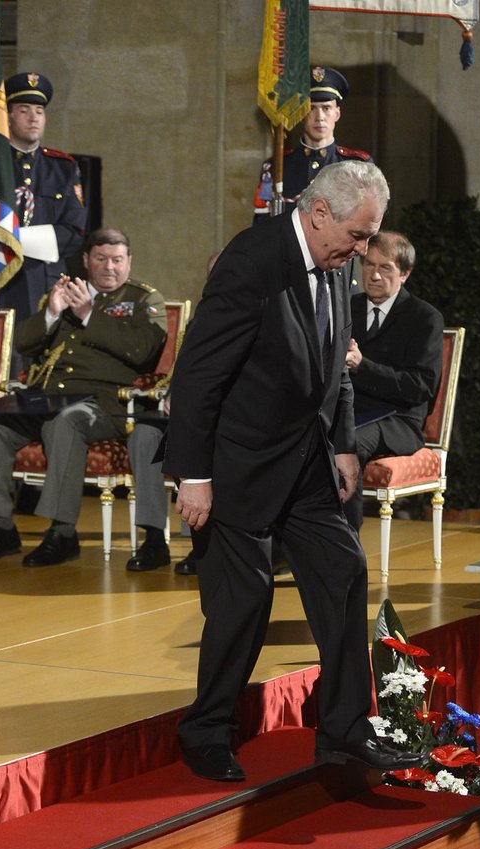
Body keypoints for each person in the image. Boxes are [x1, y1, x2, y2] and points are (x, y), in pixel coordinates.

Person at [163, 161, 422, 783]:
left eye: (371, 238)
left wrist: (341, 444)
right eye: (359, 236)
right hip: (238, 461)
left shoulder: (333, 262)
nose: (364, 252)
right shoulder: (253, 261)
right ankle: (206, 730)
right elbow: (197, 375)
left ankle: (343, 731)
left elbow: (335, 365)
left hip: (305, 456)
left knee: (343, 569)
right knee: (242, 601)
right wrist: (192, 474)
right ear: (320, 212)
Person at [0, 227, 167, 567]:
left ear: (129, 263)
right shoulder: (65, 292)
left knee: (65, 424)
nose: (109, 268)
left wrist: (90, 314)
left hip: (104, 404)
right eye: (101, 259)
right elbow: (24, 344)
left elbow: (143, 351)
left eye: (118, 260)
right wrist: (52, 313)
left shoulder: (144, 300)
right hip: (46, 397)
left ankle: (62, 532)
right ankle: (1, 527)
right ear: (86, 260)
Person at [343, 231, 444, 530]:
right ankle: (284, 546)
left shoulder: (424, 318)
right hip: (351, 412)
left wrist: (363, 367)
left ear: (405, 273)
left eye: (385, 267)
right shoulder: (348, 308)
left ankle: (342, 550)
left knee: (347, 444)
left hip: (398, 421)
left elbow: (421, 386)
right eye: (368, 265)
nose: (373, 275)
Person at [0, 72, 87, 326]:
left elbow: (74, 231)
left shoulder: (63, 168)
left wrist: (16, 240)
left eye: (39, 110)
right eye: (24, 110)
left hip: (44, 282)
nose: (34, 117)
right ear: (9, 118)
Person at [252, 67, 372, 220]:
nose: (320, 117)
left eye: (326, 108)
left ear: (337, 113)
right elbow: (261, 228)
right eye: (311, 108)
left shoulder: (358, 166)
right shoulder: (277, 167)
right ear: (301, 114)